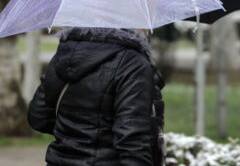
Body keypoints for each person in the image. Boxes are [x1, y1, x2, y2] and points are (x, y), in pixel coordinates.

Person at [28, 27, 165, 166]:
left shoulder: (63, 55)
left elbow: (38, 117)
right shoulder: (132, 63)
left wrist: (74, 134)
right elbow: (132, 144)